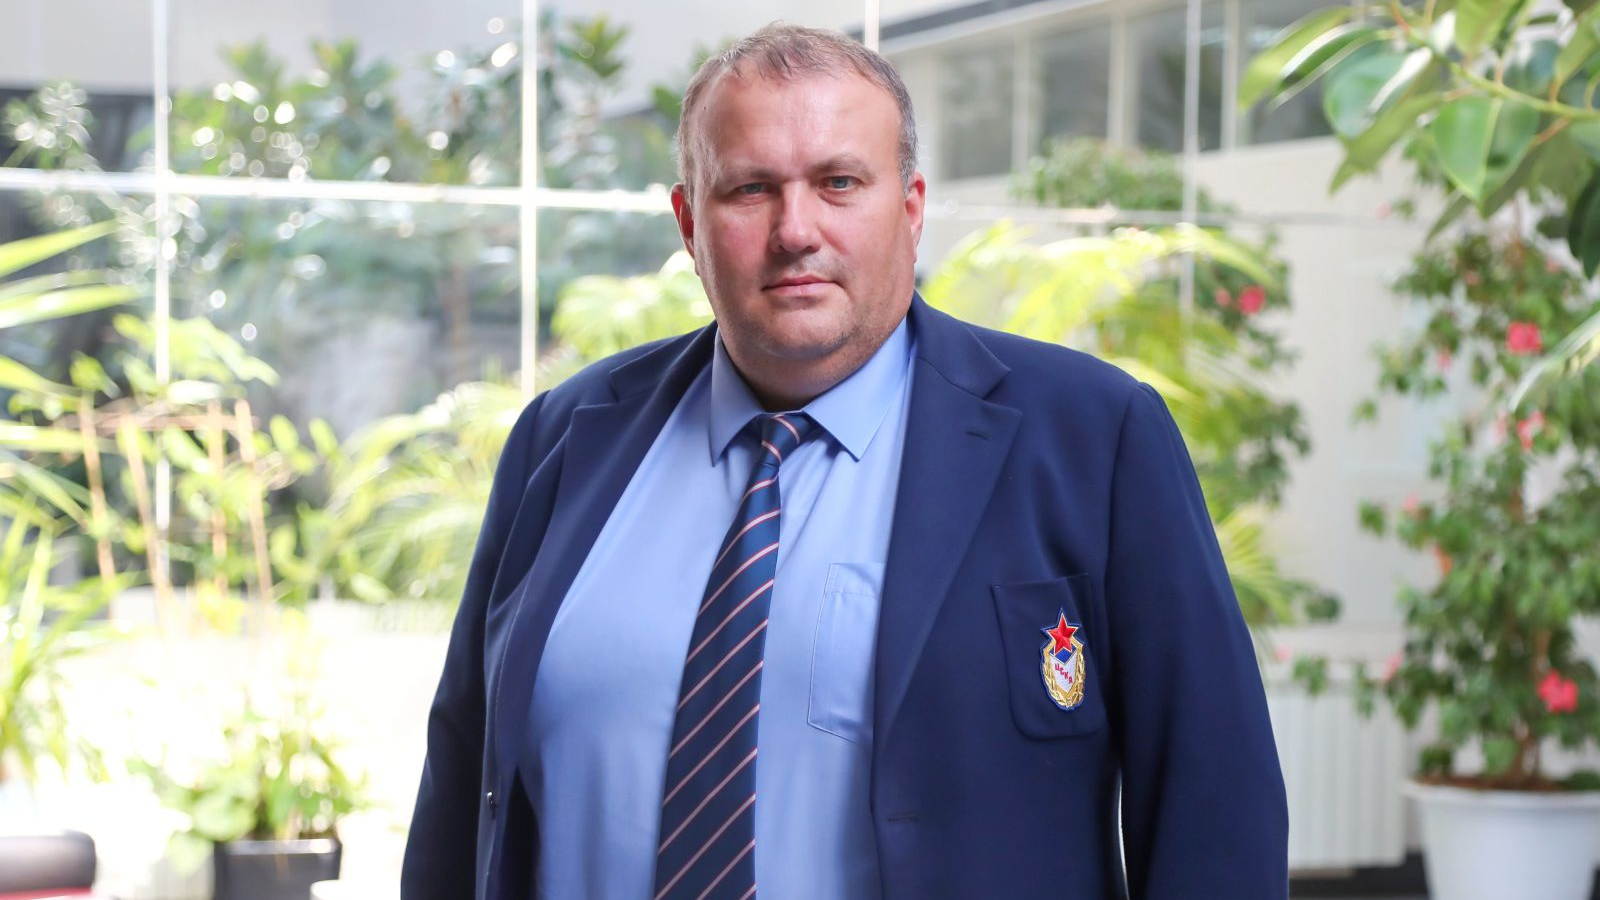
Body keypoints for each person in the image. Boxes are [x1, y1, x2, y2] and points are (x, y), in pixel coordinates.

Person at [400, 22, 1288, 900]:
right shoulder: (563, 439)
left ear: (910, 208)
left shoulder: (1093, 438)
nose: (796, 230)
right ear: (689, 223)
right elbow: (460, 783)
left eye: (839, 183)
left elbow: (1214, 811)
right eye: (750, 189)